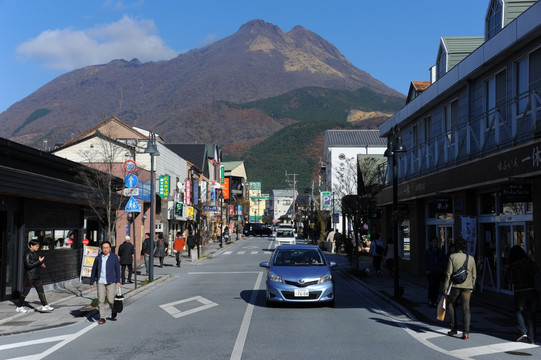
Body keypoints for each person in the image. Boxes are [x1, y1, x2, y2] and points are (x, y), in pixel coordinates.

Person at [443, 237, 476, 340]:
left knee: (451, 305)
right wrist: (472, 286)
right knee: (466, 308)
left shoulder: (452, 257)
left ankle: (453, 328)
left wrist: (445, 287)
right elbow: (474, 275)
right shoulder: (471, 258)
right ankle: (466, 333)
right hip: (467, 287)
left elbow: (448, 274)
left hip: (455, 286)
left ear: (456, 247)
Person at [505, 245, 538, 344]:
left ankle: (522, 331)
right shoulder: (530, 262)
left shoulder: (513, 266)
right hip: (533, 291)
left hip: (520, 291)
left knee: (519, 311)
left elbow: (509, 280)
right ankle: (532, 338)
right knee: (532, 315)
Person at [16, 239, 54, 313]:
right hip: (29, 277)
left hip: (37, 276)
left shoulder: (35, 253)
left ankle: (45, 305)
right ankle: (19, 306)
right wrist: (39, 261)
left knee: (41, 291)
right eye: (36, 246)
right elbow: (29, 265)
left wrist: (41, 264)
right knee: (25, 292)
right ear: (31, 246)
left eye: (38, 246)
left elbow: (36, 263)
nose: (38, 247)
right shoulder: (27, 254)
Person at [89, 241, 121, 325]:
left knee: (111, 300)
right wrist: (91, 282)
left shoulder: (114, 257)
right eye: (103, 248)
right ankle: (102, 317)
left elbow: (117, 269)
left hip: (111, 281)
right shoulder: (98, 258)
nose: (105, 249)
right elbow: (94, 270)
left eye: (107, 248)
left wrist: (118, 281)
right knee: (100, 300)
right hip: (101, 281)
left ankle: (113, 311)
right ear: (101, 249)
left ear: (110, 248)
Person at [423, 236, 445, 308]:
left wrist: (442, 268)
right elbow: (425, 261)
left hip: (438, 271)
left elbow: (442, 260)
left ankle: (435, 300)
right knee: (431, 286)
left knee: (437, 287)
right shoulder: (428, 251)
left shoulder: (440, 251)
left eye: (436, 242)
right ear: (431, 242)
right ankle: (430, 299)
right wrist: (426, 269)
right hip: (430, 271)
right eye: (434, 242)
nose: (435, 243)